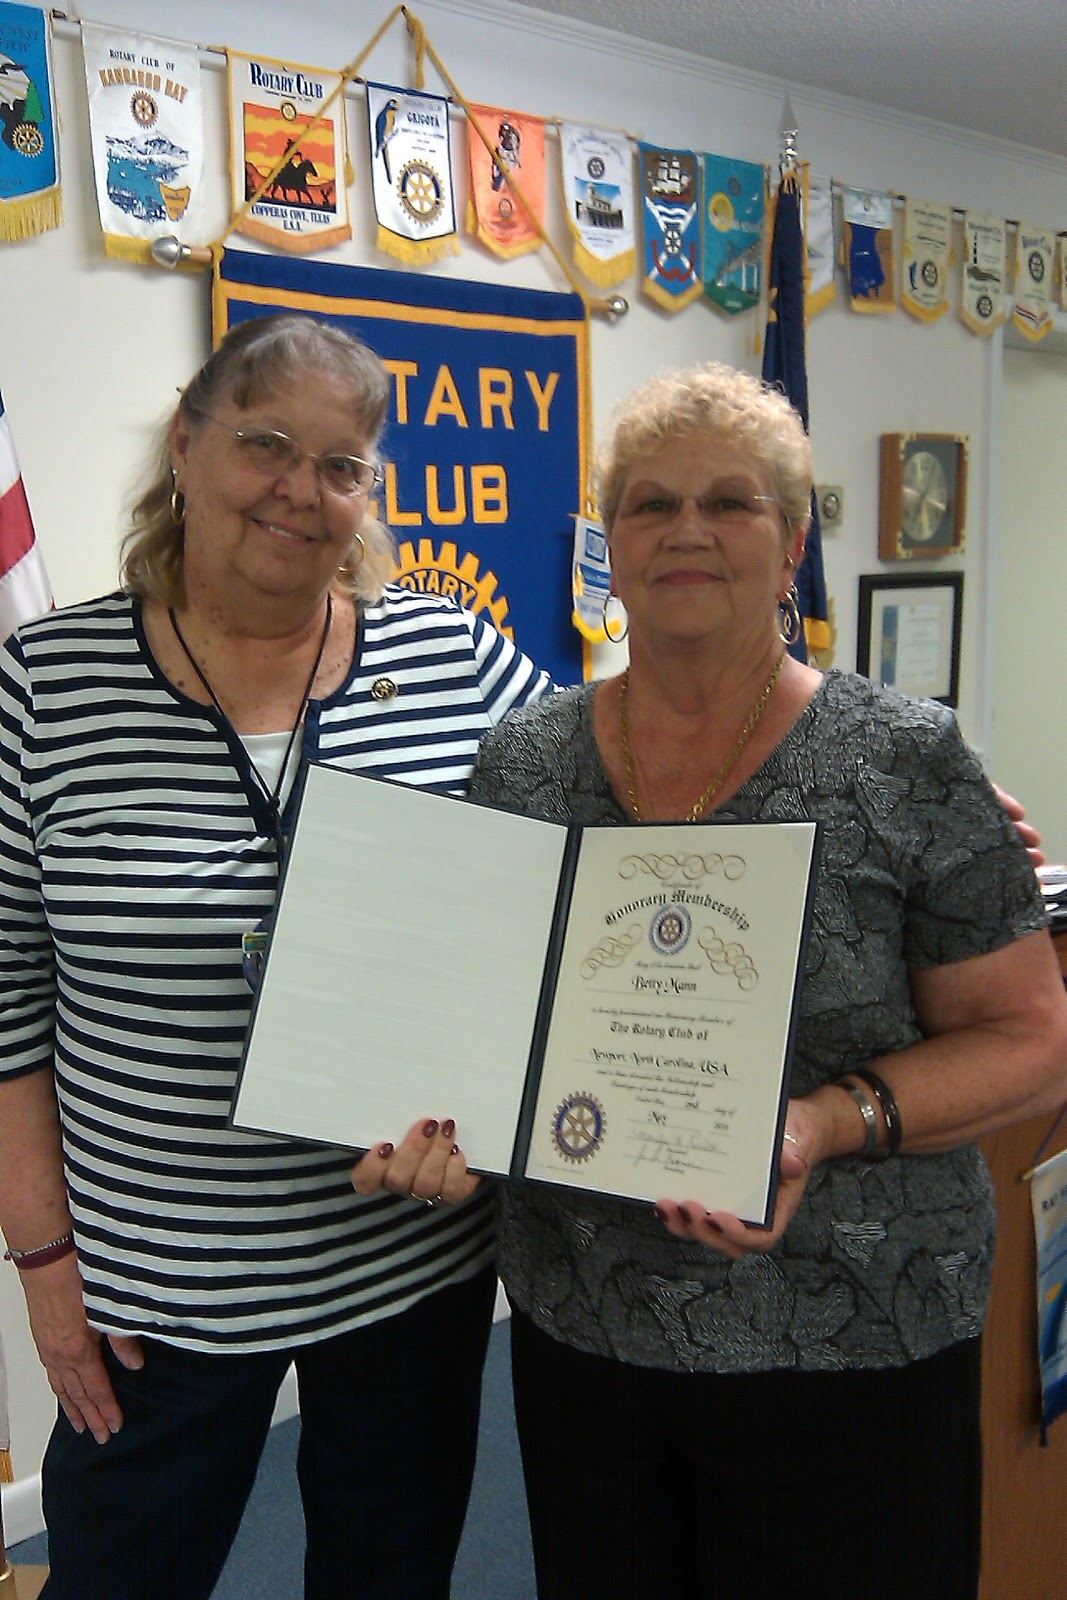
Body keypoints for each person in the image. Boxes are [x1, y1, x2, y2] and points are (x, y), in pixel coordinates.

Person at [454, 362, 1067, 1600]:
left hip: (854, 1332)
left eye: (730, 502)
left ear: (789, 542)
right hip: (588, 1325)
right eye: (647, 503)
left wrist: (815, 1123)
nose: (686, 528)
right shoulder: (524, 757)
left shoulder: (907, 756)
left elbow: (1026, 1039)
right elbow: (485, 1011)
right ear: (606, 547)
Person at [0, 312, 550, 1600]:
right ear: (186, 446)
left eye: (344, 463)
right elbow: (9, 1008)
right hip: (157, 1290)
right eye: (266, 444)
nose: (303, 492)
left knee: (389, 1577)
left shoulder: (449, 656)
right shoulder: (44, 684)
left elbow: (609, 816)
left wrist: (887, 802)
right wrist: (44, 1268)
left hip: (408, 1261)